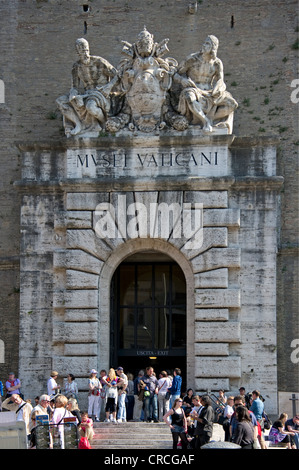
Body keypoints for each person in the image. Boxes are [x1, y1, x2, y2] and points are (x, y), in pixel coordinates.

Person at [175, 35, 238, 133]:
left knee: (232, 104)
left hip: (209, 91)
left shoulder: (217, 63)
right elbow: (175, 74)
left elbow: (221, 80)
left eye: (207, 44)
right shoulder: (192, 59)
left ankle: (211, 119)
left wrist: (219, 88)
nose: (204, 45)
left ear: (213, 48)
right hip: (194, 89)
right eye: (204, 43)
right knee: (189, 97)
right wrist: (182, 80)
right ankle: (205, 121)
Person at [56, 37, 118, 136]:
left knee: (90, 106)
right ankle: (78, 124)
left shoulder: (99, 62)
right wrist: (73, 94)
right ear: (77, 53)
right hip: (86, 94)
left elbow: (117, 75)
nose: (85, 54)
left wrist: (109, 86)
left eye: (86, 51)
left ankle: (104, 124)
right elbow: (75, 86)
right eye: (82, 52)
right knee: (61, 101)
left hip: (101, 93)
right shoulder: (76, 67)